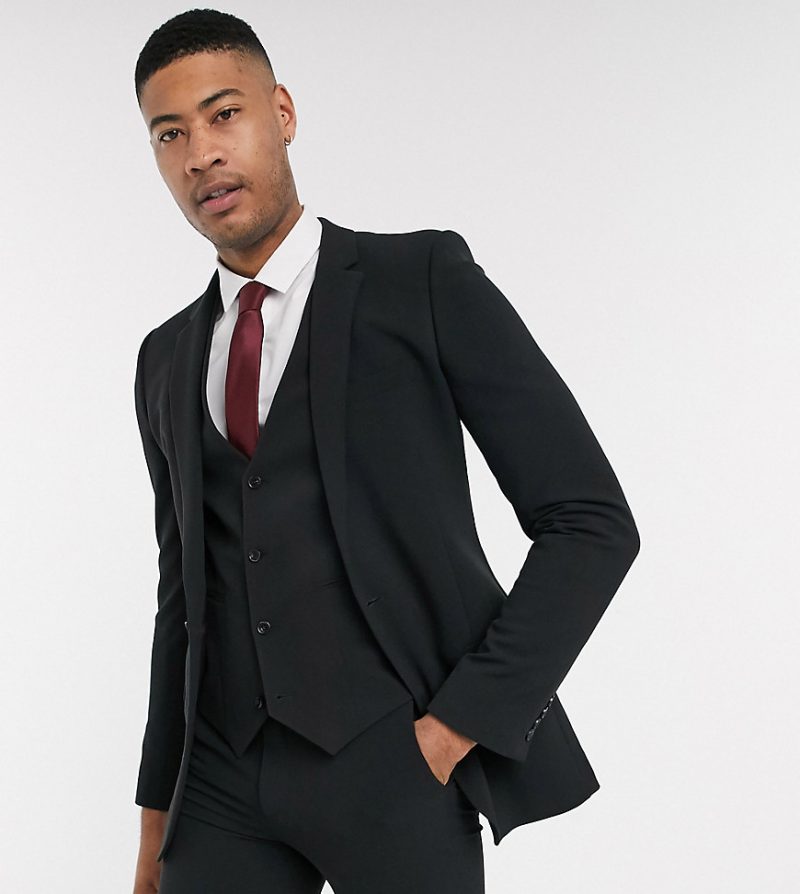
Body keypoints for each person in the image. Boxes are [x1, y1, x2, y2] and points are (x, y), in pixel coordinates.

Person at [130, 8, 640, 894]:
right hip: (218, 784)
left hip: (395, 766)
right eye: (169, 133)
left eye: (224, 114)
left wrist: (455, 728)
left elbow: (591, 522)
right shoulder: (165, 358)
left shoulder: (421, 283)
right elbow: (183, 602)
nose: (200, 154)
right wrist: (154, 828)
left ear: (282, 113)